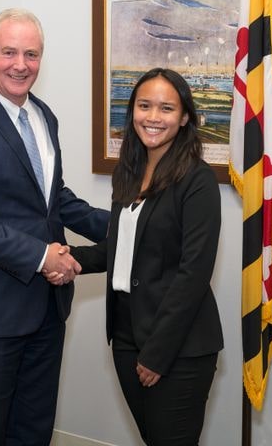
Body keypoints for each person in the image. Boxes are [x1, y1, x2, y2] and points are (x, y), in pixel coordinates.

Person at [0, 8, 109, 446]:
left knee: (33, 432)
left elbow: (54, 200)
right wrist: (42, 255)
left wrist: (127, 224)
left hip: (46, 311)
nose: (20, 64)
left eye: (31, 54)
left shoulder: (44, 116)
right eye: (9, 52)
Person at [54, 67, 223, 446]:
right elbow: (125, 250)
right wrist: (70, 260)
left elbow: (193, 274)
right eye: (144, 105)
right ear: (132, 111)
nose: (153, 117)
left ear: (184, 118)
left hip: (177, 346)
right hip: (127, 335)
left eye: (166, 108)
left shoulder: (198, 181)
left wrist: (157, 353)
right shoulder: (129, 173)